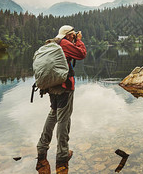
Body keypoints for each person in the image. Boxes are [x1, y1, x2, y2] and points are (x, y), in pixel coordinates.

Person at [36, 25, 87, 174]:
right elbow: (81, 54)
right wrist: (79, 41)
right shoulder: (64, 44)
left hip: (51, 86)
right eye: (72, 35)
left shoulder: (53, 43)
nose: (73, 36)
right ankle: (62, 155)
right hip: (65, 87)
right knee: (64, 119)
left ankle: (41, 149)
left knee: (53, 114)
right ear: (67, 35)